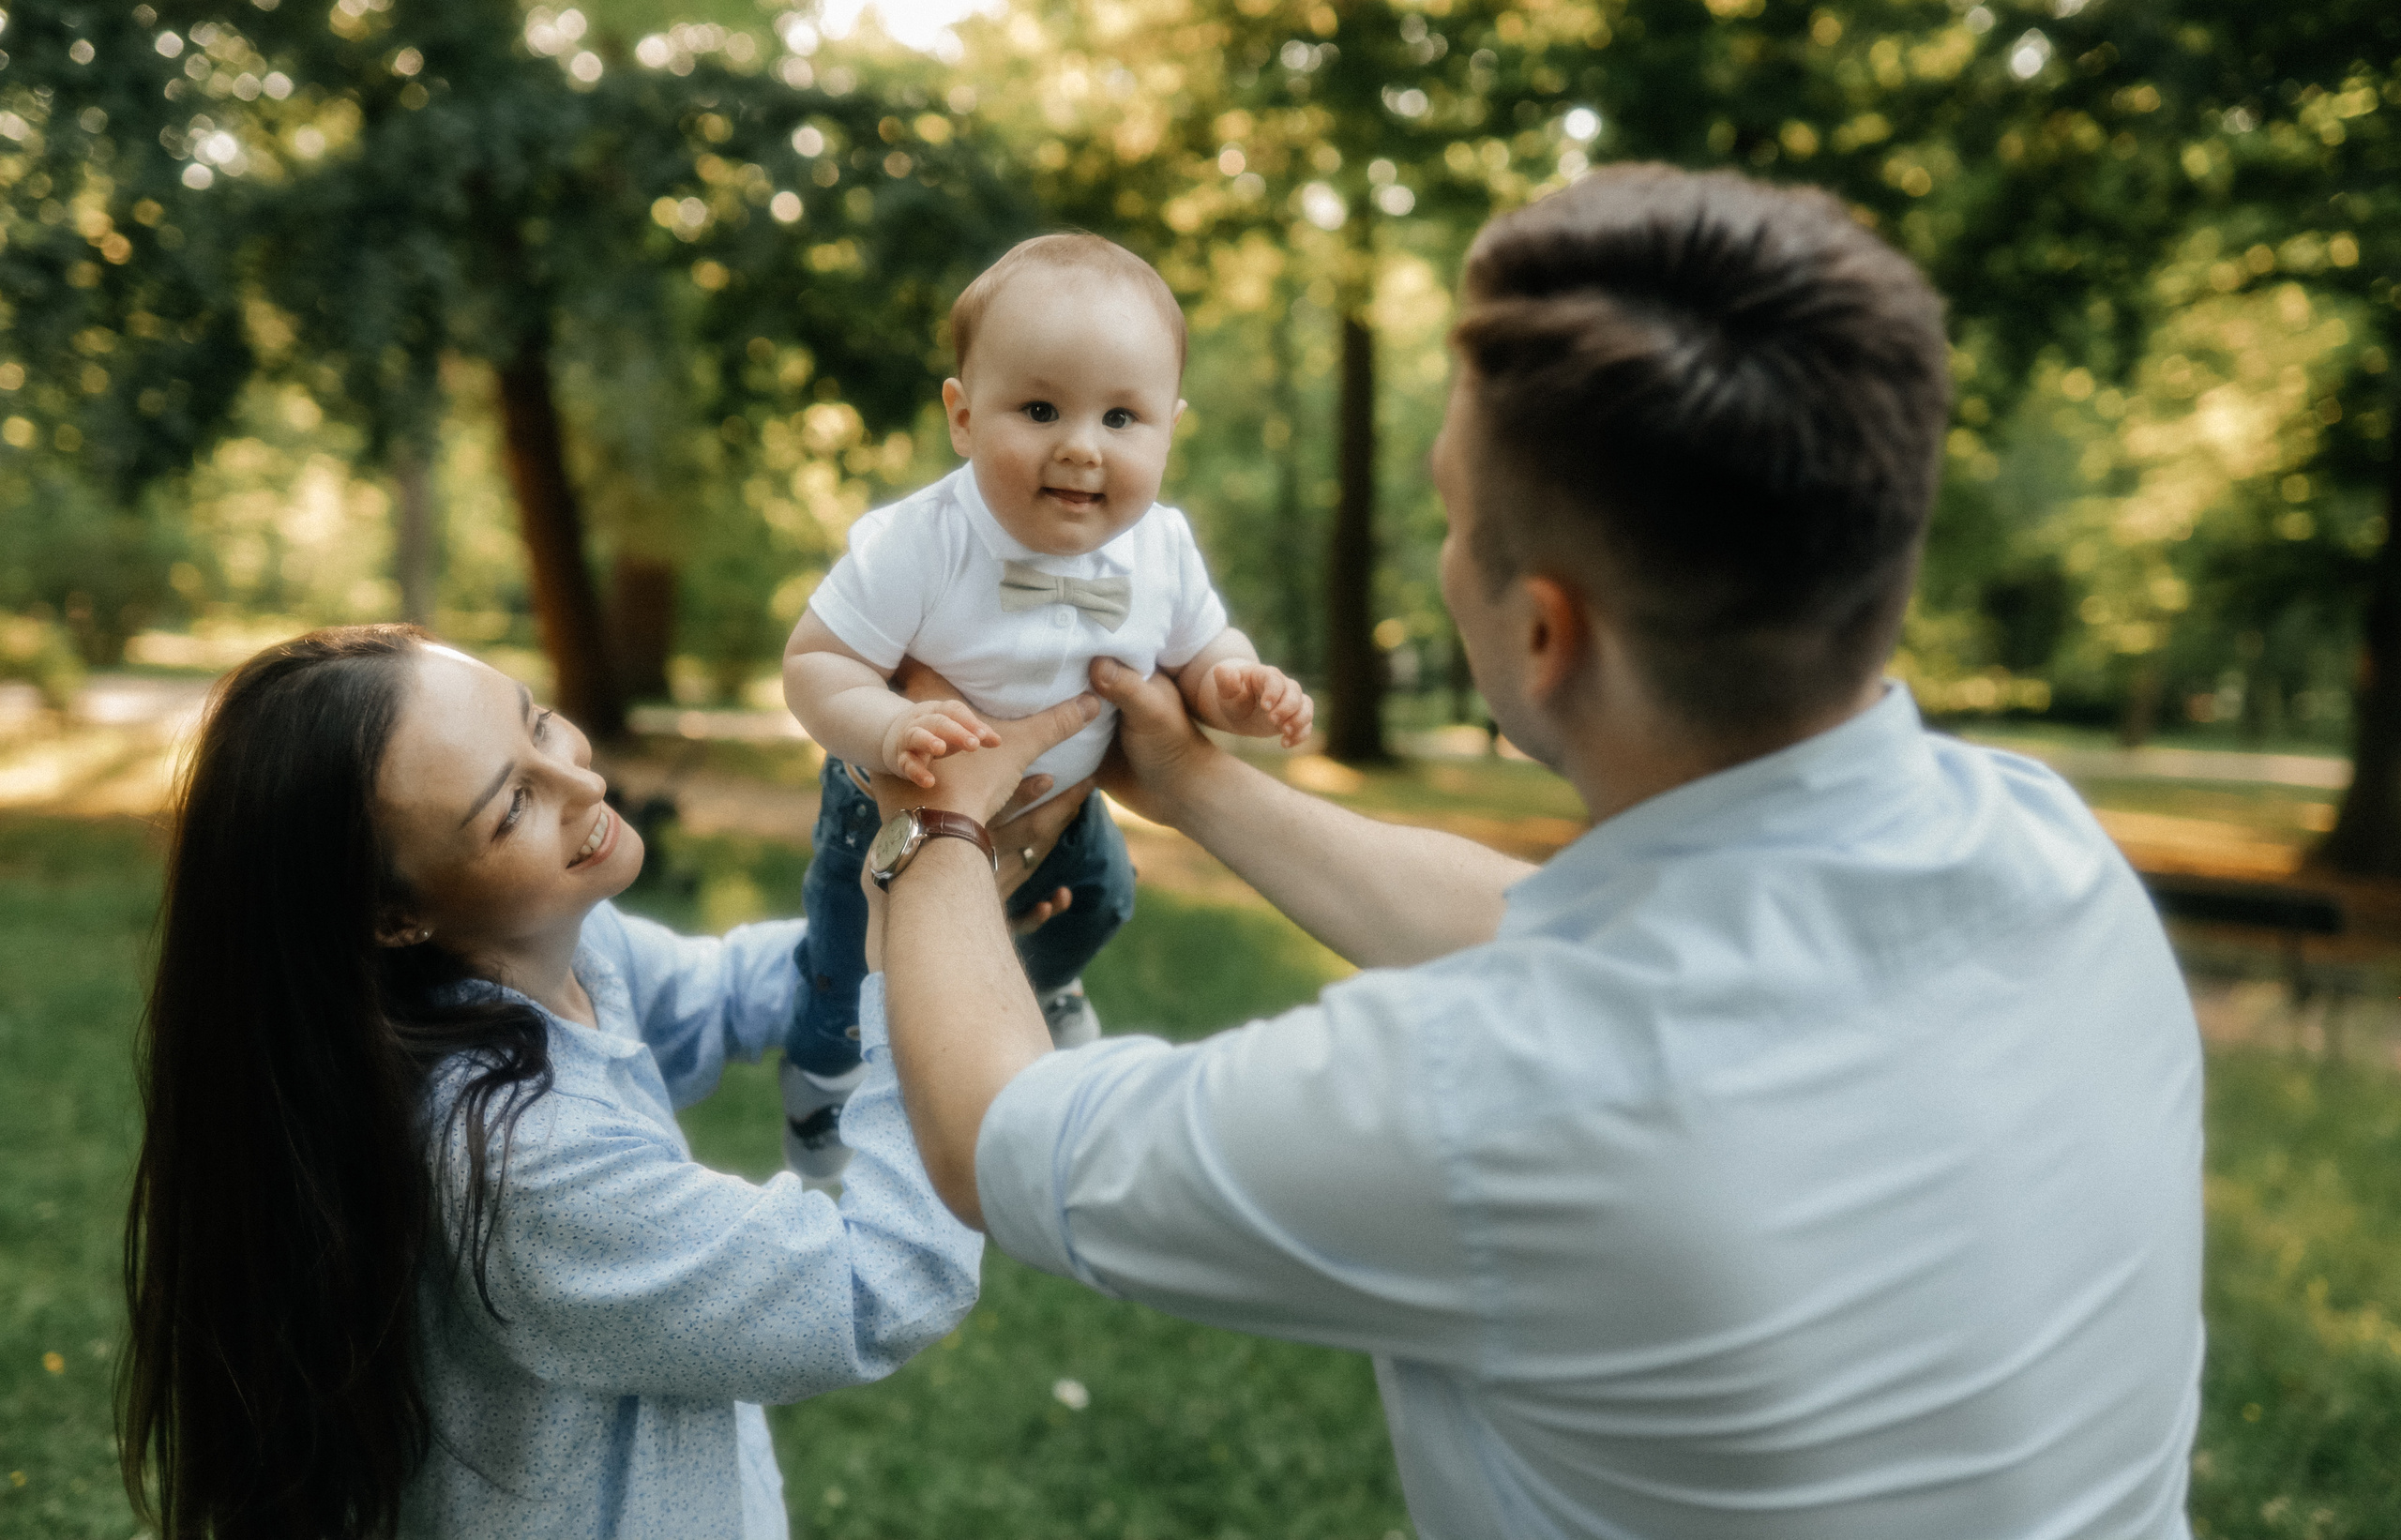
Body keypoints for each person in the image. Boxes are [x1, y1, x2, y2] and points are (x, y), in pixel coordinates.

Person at [860, 166, 2205, 1537]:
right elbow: (1572, 934)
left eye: (1455, 518)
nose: (1448, 559)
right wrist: (1196, 783)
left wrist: (937, 816)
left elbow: (993, 1138)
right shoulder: (2050, 843)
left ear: (1548, 633)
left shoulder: (1487, 1096)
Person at [116, 624, 1095, 1540]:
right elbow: (875, 1286)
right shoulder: (517, 1162)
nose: (577, 781)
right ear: (391, 916)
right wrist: (922, 934)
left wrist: (948, 931)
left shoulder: (547, 953)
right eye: (511, 806)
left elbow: (722, 994)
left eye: (537, 719)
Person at [775, 231, 1312, 1185]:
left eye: (1120, 417)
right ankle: (819, 1084)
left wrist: (1234, 685)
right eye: (1038, 408)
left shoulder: (1160, 551)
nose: (1079, 445)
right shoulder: (920, 543)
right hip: (890, 808)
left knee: (1099, 900)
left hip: (1061, 811)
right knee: (844, 967)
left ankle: (1044, 978)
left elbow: (1197, 655)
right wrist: (890, 728)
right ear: (963, 415)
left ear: (1169, 429)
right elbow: (816, 662)